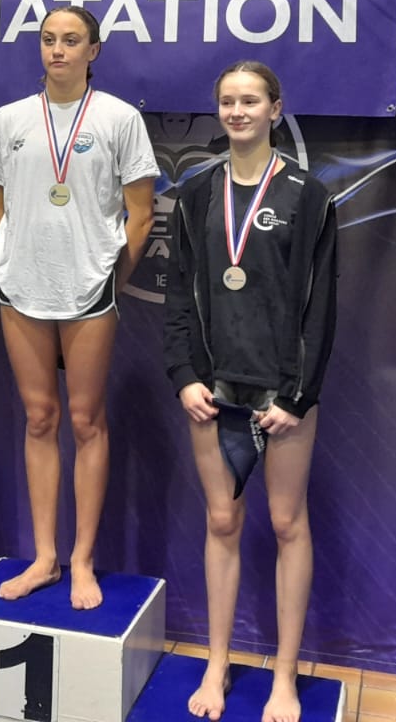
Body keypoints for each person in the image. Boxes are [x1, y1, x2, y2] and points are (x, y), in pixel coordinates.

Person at [163, 61, 337, 722]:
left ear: (275, 109)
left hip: (282, 393)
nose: (237, 111)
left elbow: (321, 309)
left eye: (250, 101)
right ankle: (217, 664)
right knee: (222, 520)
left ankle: (284, 677)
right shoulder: (197, 195)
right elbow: (179, 297)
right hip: (213, 389)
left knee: (288, 523)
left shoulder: (307, 196)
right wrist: (184, 377)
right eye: (228, 102)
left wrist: (298, 396)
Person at [0, 5, 158, 610]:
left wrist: (108, 277)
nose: (57, 49)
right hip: (21, 289)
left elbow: (141, 214)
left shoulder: (119, 118)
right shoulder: (8, 120)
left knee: (85, 421)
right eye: (49, 39)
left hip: (90, 291)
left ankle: (82, 560)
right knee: (39, 419)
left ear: (93, 51)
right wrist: (11, 261)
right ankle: (45, 557)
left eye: (71, 40)